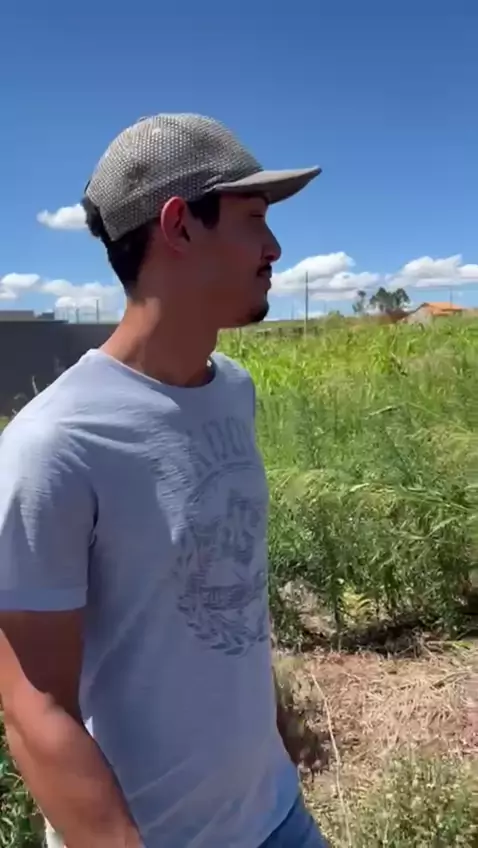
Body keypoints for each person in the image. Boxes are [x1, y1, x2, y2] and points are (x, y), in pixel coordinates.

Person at [0, 114, 327, 847]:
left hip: (278, 817)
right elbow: (33, 706)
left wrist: (269, 737)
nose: (275, 247)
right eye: (253, 219)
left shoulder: (232, 390)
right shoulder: (54, 444)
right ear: (179, 224)